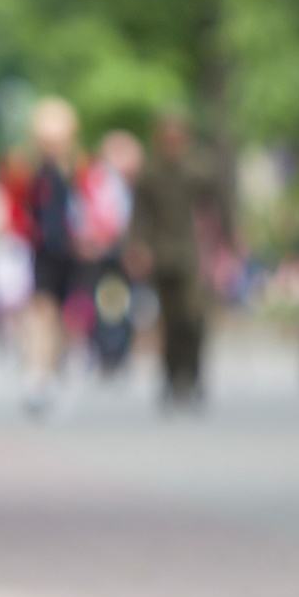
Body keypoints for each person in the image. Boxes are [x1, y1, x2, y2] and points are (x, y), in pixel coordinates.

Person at [128, 114, 233, 408]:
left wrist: (229, 235)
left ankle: (194, 374)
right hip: (161, 253)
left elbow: (220, 203)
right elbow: (138, 215)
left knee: (193, 317)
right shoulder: (150, 173)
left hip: (192, 254)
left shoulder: (197, 170)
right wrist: (137, 245)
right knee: (168, 320)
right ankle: (170, 376)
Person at [17, 98, 83, 414]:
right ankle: (38, 375)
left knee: (67, 317)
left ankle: (58, 368)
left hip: (75, 253)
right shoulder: (25, 168)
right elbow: (14, 209)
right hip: (39, 251)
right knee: (41, 312)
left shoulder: (82, 168)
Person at [75, 130, 141, 374]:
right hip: (100, 247)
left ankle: (121, 349)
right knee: (100, 300)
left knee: (125, 299)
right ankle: (103, 349)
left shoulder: (134, 182)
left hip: (123, 247)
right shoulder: (95, 178)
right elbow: (84, 210)